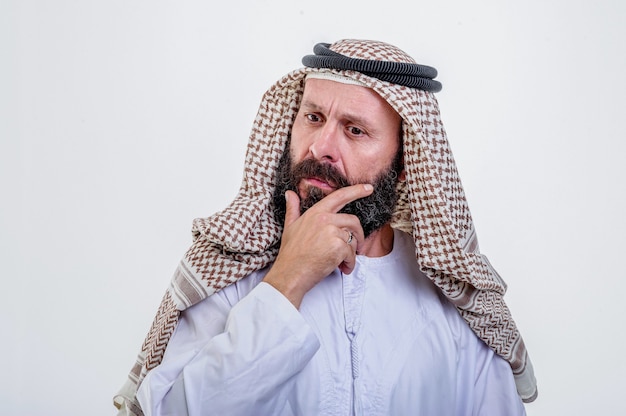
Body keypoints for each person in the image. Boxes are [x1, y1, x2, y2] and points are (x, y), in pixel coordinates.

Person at [114, 39, 537, 415]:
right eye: (313, 118)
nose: (321, 148)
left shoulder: (456, 305)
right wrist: (285, 283)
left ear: (408, 165)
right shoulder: (230, 272)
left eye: (355, 130)